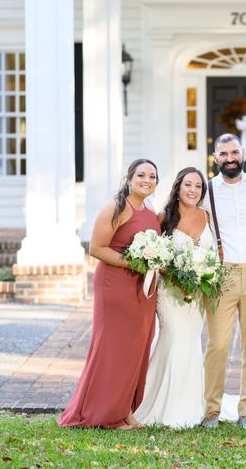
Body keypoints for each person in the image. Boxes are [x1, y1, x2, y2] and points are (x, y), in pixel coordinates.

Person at [58, 159, 160, 430]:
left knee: (136, 348)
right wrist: (134, 263)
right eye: (141, 175)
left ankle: (125, 410)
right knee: (114, 349)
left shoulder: (149, 209)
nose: (146, 180)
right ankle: (106, 413)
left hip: (142, 289)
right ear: (129, 178)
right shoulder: (116, 207)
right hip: (116, 286)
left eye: (152, 176)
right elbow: (97, 248)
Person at [201, 134, 246, 430]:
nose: (229, 157)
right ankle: (211, 410)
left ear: (243, 153)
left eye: (234, 152)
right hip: (222, 273)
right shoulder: (206, 191)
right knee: (218, 344)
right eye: (223, 153)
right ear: (216, 157)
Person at [133, 167, 211, 428]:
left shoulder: (208, 217)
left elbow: (212, 256)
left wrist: (203, 275)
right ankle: (161, 406)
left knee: (191, 343)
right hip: (170, 292)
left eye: (198, 186)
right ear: (178, 187)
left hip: (196, 294)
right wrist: (177, 274)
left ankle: (191, 406)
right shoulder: (164, 217)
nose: (193, 190)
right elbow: (155, 255)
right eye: (188, 184)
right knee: (174, 340)